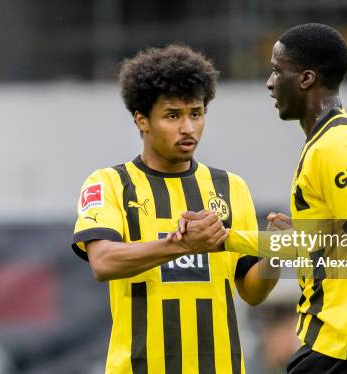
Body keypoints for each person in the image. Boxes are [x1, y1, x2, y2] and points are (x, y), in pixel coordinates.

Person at [174, 24, 347, 373]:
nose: (270, 83)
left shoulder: (335, 148)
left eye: (276, 70)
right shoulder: (344, 136)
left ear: (305, 79)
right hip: (341, 350)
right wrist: (225, 239)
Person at [71, 44, 278, 373]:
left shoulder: (230, 187)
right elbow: (103, 261)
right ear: (142, 120)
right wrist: (179, 244)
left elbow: (251, 291)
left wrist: (275, 254)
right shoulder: (110, 183)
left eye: (196, 113)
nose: (188, 128)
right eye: (172, 116)